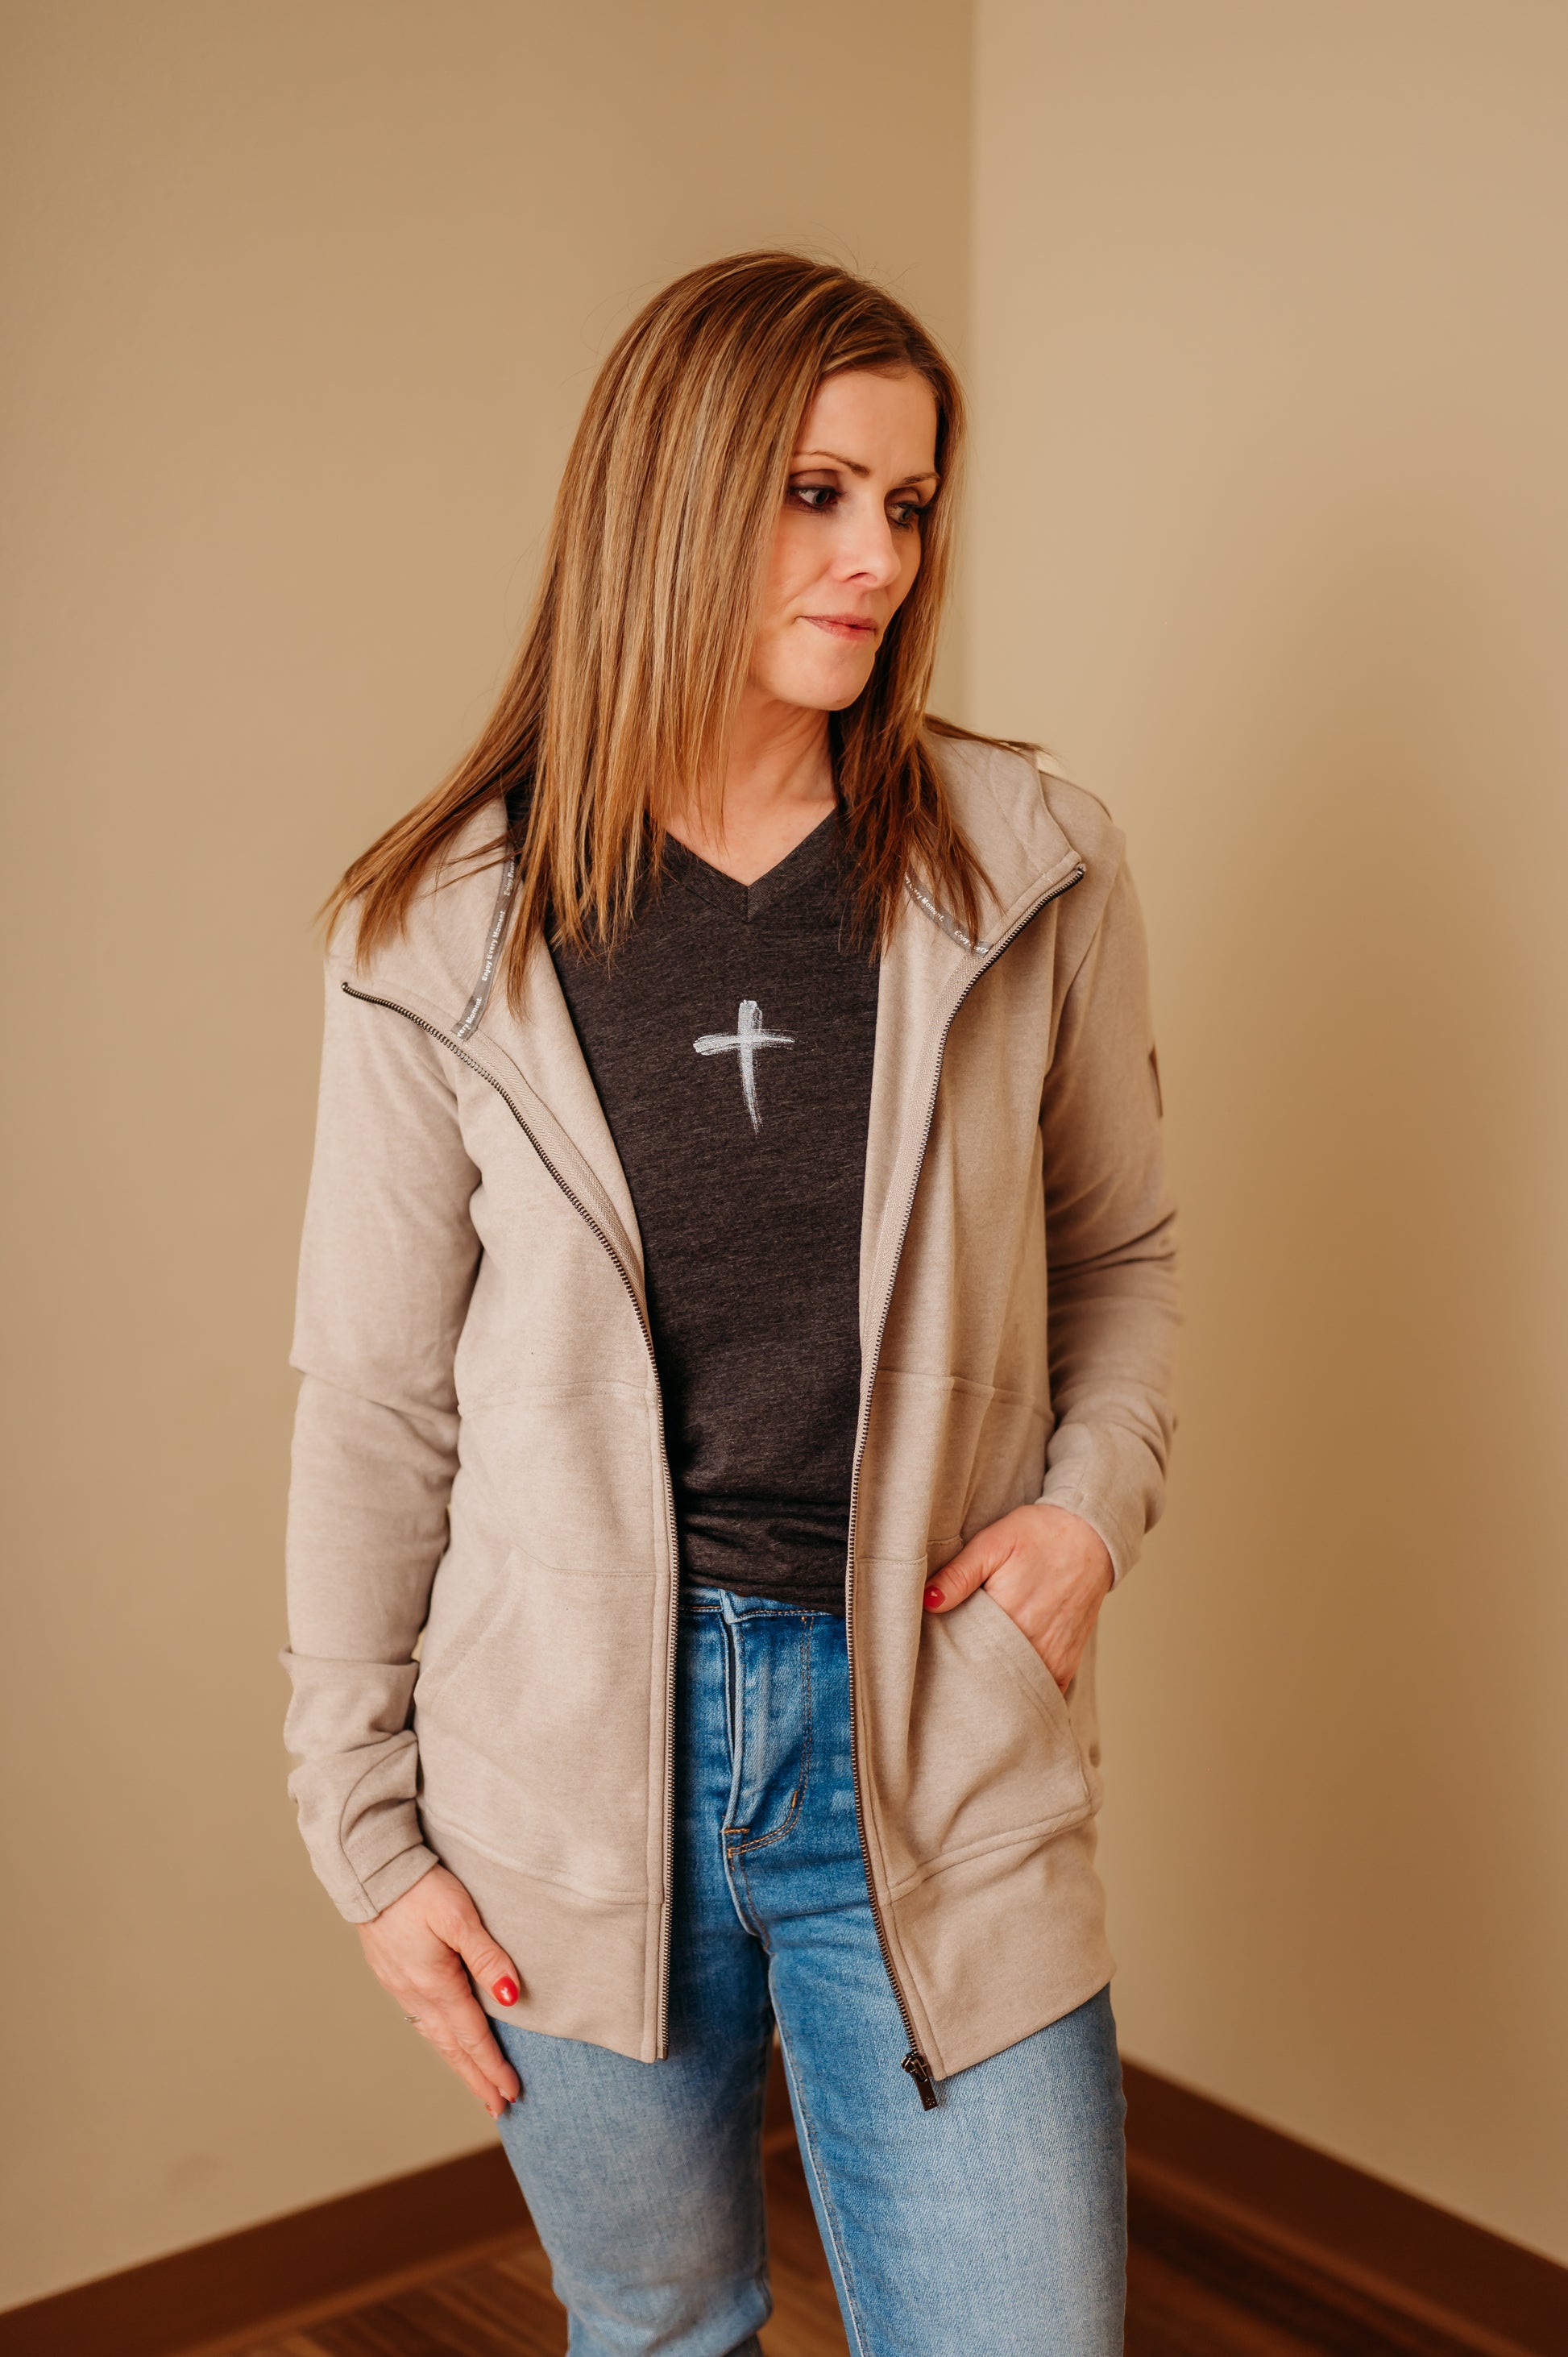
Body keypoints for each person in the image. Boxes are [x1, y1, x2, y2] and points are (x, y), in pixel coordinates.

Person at [284, 250, 1178, 2357]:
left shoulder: (1029, 861)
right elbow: (374, 1402)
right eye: (817, 492)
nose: (881, 557)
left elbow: (1121, 1257)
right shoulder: (437, 931)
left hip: (931, 1720)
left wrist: (1088, 1513)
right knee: (658, 2328)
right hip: (562, 1755)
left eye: (909, 503)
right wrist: (365, 1830)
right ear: (670, 494)